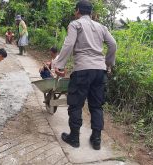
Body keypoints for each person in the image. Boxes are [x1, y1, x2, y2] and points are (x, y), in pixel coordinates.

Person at [54, 0, 117, 150]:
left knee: (76, 104)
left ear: (77, 11)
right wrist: (108, 64)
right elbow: (113, 44)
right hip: (99, 71)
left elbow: (68, 44)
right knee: (96, 106)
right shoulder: (101, 27)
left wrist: (60, 66)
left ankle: (74, 138)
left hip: (82, 70)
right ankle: (96, 140)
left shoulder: (75, 24)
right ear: (91, 13)